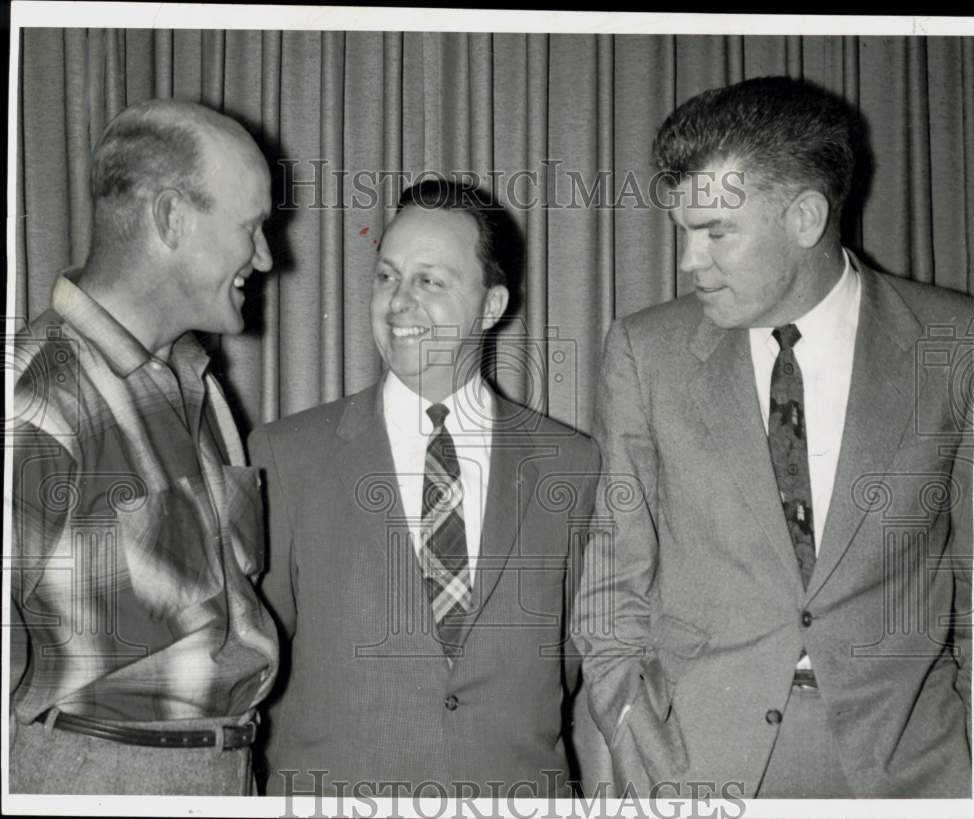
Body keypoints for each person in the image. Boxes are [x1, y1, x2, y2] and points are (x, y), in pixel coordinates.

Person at [572, 76, 974, 799]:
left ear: (805, 217)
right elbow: (614, 564)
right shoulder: (645, 351)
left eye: (715, 231)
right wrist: (626, 710)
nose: (688, 262)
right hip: (696, 762)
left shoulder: (960, 344)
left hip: (913, 767)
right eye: (683, 232)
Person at [249, 179, 599, 798]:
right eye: (387, 277)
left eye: (430, 281)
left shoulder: (570, 466)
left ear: (491, 307)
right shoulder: (285, 456)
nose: (398, 303)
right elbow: (259, 666)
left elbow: (574, 661)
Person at [8, 99, 279, 795]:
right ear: (170, 218)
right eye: (250, 228)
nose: (266, 257)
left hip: (226, 773)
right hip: (101, 777)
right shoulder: (37, 394)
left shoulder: (202, 388)